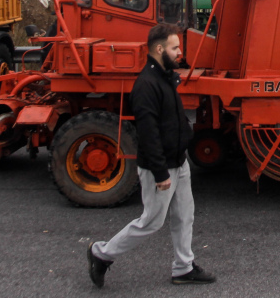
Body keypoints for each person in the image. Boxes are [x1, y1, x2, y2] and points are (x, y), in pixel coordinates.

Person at [87, 23, 215, 287]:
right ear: (159, 49)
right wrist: (160, 173)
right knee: (150, 222)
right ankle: (101, 254)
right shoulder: (146, 85)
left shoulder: (166, 76)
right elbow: (148, 134)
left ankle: (183, 267)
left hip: (178, 162)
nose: (180, 52)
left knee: (184, 215)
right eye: (175, 47)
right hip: (161, 168)